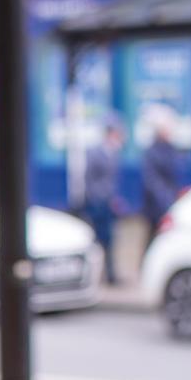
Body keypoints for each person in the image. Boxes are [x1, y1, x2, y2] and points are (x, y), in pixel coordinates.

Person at [84, 122, 124, 284]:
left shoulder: (114, 154)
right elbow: (90, 179)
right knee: (100, 240)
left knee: (110, 240)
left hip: (109, 204)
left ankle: (110, 275)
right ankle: (97, 275)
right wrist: (98, 197)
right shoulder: (96, 153)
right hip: (98, 204)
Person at [141, 119, 180, 235]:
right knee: (154, 234)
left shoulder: (171, 150)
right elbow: (152, 180)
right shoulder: (152, 152)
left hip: (169, 201)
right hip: (155, 205)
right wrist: (165, 199)